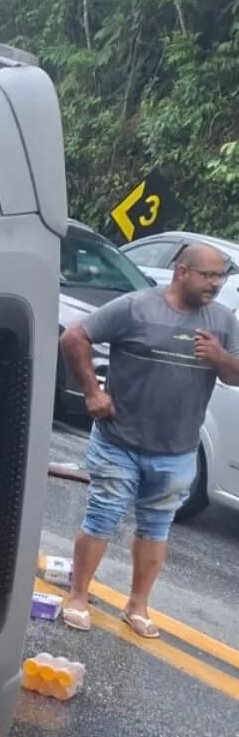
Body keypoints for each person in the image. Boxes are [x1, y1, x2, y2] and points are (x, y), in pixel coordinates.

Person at [58, 241, 239, 637]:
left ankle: (137, 605)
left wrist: (220, 357)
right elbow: (74, 338)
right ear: (182, 272)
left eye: (221, 276)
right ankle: (77, 595)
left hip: (176, 449)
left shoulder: (223, 321)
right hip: (118, 440)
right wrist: (92, 391)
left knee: (157, 527)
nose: (216, 284)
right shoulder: (136, 307)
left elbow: (235, 375)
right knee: (102, 516)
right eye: (208, 275)